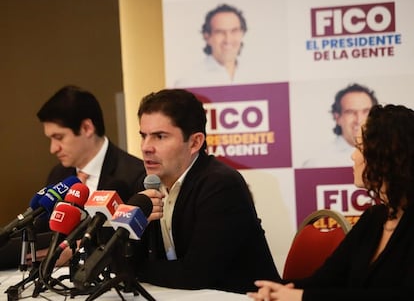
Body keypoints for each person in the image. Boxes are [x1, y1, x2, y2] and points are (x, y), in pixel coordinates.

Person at [248, 104, 414, 301]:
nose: (353, 156)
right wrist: (277, 290)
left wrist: (301, 297)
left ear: (389, 156)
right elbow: (324, 281)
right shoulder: (374, 218)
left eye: (360, 147)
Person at [134, 88, 280, 294]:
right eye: (143, 136)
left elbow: (195, 274)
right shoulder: (148, 184)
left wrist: (133, 269)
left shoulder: (220, 185)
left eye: (160, 136)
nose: (146, 147)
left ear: (195, 142)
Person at [0, 85, 147, 269]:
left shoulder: (133, 175)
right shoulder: (59, 175)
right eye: (50, 139)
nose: (53, 148)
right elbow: (42, 231)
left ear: (87, 128)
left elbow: (135, 248)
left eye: (59, 137)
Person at [303, 83, 378, 168]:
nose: (359, 120)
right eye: (350, 112)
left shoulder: (390, 157)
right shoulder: (317, 163)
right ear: (337, 117)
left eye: (366, 111)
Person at [174, 3, 250, 87]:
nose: (228, 39)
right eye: (220, 32)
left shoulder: (255, 73)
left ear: (242, 33)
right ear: (207, 37)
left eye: (234, 31)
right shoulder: (187, 82)